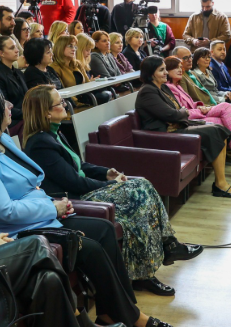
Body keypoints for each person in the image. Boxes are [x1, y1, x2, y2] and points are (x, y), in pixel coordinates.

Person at [0, 86, 174, 327]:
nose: (10, 106)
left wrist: (52, 202)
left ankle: (111, 313)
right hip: (18, 230)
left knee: (104, 229)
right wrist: (52, 207)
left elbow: (32, 184)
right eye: (3, 102)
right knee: (90, 248)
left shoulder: (2, 140)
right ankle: (132, 316)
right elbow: (5, 211)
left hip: (43, 215)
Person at [22, 85, 203, 295]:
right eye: (60, 102)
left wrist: (106, 172)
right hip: (75, 199)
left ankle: (157, 259)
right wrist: (111, 185)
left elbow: (78, 165)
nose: (65, 105)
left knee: (142, 190)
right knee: (139, 191)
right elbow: (75, 183)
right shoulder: (40, 144)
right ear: (46, 112)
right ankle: (163, 253)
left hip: (84, 190)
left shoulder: (55, 133)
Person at [136, 56, 231, 197]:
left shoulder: (162, 87)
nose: (166, 73)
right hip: (163, 135)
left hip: (176, 126)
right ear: (151, 73)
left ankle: (220, 183)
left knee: (219, 130)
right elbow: (172, 114)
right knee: (215, 131)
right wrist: (183, 112)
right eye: (161, 70)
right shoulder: (147, 91)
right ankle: (221, 185)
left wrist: (182, 112)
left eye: (165, 69)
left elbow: (177, 111)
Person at [164, 56, 231, 167]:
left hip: (200, 110)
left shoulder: (177, 85)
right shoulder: (170, 87)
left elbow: (193, 102)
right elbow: (182, 111)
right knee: (225, 108)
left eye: (180, 67)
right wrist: (201, 110)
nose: (180, 70)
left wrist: (200, 106)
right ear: (166, 71)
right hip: (191, 118)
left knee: (225, 117)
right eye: (175, 68)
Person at [179, 46, 231, 155]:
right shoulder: (184, 76)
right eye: (185, 58)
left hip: (213, 101)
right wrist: (218, 100)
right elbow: (189, 99)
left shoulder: (193, 73)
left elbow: (214, 89)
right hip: (206, 105)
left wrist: (226, 93)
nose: (190, 60)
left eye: (190, 57)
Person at [0, 35, 28, 126]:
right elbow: (2, 106)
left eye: (16, 47)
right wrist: (29, 114)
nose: (17, 50)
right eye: (12, 48)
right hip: (12, 121)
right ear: (1, 53)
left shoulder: (18, 73)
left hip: (25, 117)